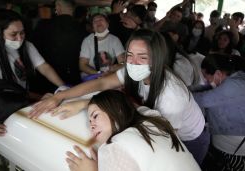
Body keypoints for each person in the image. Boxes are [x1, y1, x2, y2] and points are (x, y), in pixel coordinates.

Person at [30, 29, 209, 165]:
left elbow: (162, 144)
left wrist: (108, 162)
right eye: (129, 55)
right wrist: (59, 96)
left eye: (142, 57)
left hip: (189, 139)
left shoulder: (171, 98)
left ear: (158, 59)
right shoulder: (135, 72)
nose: (133, 63)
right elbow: (101, 84)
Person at [63, 90, 201, 171]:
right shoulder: (152, 117)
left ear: (118, 109)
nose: (91, 125)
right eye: (89, 122)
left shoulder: (113, 148)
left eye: (95, 116)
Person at [193, 54, 245, 170]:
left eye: (207, 78)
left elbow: (200, 99)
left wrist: (182, 91)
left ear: (218, 74)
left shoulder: (231, 86)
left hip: (235, 149)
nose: (206, 81)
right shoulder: (239, 78)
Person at [0, 9, 64, 92]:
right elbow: (0, 92)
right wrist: (39, 98)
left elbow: (44, 67)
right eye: (13, 34)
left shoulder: (27, 45)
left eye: (22, 33)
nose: (19, 38)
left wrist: (63, 87)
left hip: (24, 97)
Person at [79, 13, 125, 79]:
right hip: (92, 76)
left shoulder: (115, 40)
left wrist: (114, 68)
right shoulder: (87, 40)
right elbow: (82, 65)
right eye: (95, 21)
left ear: (107, 24)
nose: (98, 22)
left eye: (101, 19)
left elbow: (122, 63)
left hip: (109, 74)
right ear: (93, 28)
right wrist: (99, 74)